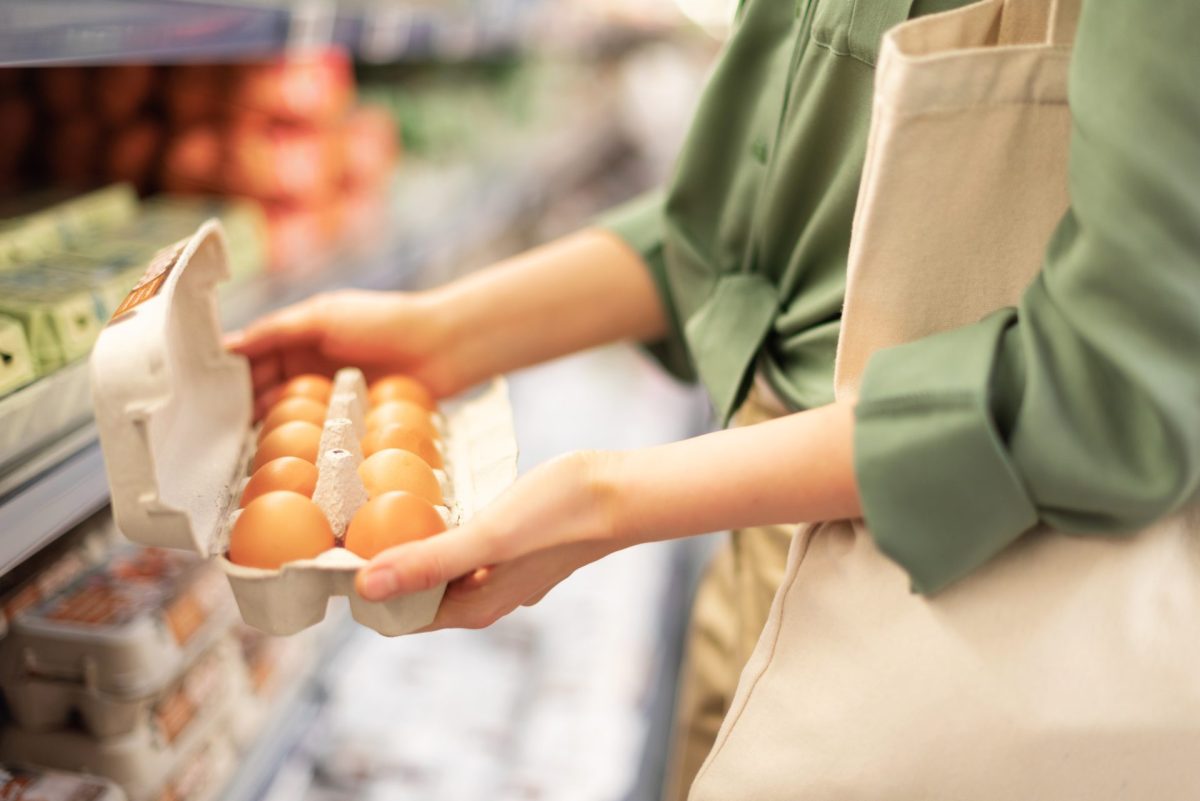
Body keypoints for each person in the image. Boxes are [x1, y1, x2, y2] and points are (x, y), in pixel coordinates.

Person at [228, 0, 1200, 798]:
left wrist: (609, 501)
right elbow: (754, 225)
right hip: (763, 529)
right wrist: (449, 331)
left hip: (980, 599)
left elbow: (1118, 386)